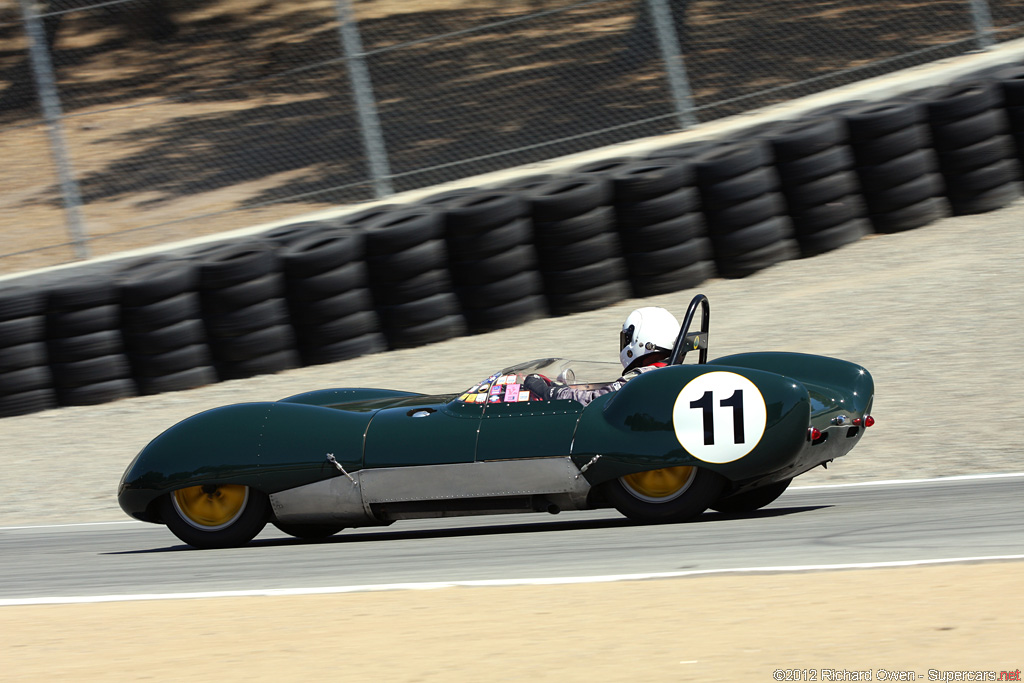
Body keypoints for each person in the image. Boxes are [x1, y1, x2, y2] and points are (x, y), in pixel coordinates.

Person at [523, 306, 680, 406]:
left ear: (642, 341)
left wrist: (548, 392)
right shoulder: (673, 372)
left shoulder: (643, 379)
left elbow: (595, 400)